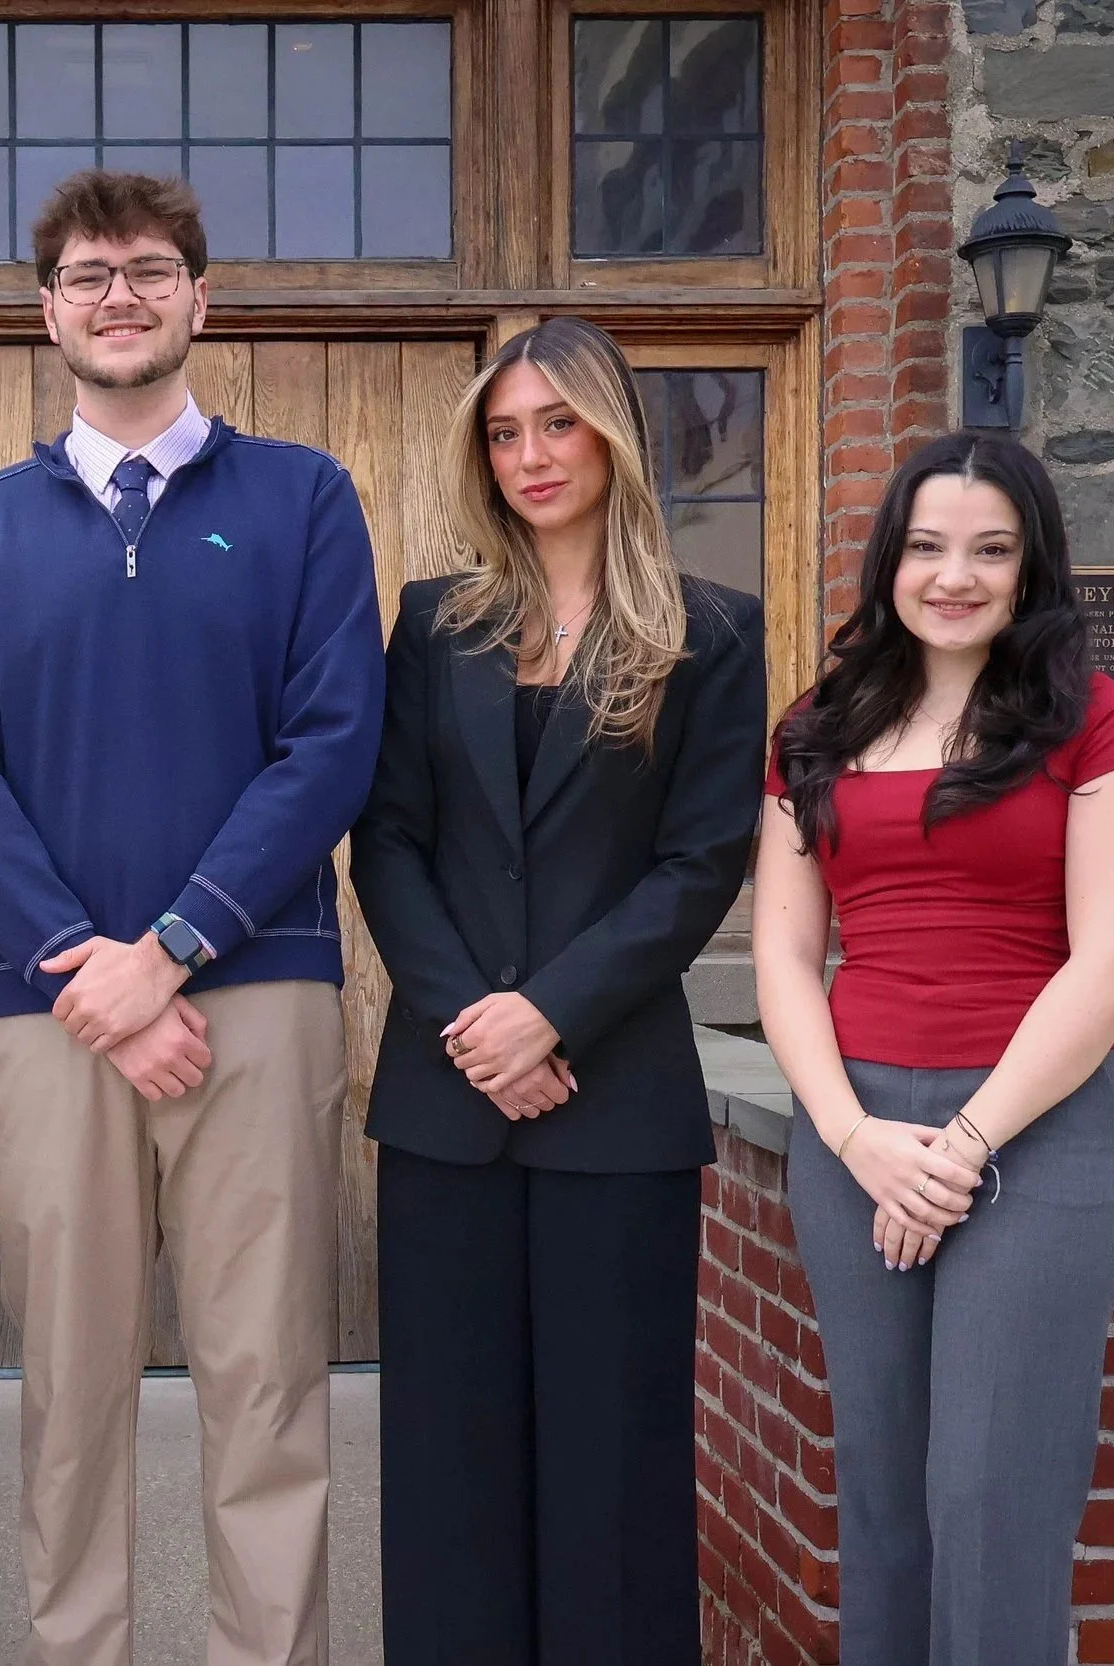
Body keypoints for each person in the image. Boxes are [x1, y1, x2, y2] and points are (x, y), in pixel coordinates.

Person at [0, 170, 383, 1666]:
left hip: (258, 995)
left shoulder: (302, 499)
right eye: (88, 274)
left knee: (267, 1382)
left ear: (200, 299)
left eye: (150, 270)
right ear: (46, 313)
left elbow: (332, 746)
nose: (120, 295)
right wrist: (86, 972)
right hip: (49, 1015)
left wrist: (173, 947)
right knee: (69, 1390)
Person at [350, 315, 766, 1665]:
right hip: (446, 1104)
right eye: (504, 432)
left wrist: (553, 1013)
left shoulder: (711, 631)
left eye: (557, 423)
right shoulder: (434, 624)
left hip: (615, 1103)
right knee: (448, 1462)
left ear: (614, 436)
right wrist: (476, 1024)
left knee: (613, 1468)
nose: (530, 454)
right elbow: (388, 840)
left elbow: (701, 860)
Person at [755, 431, 1114, 1665]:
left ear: (1031, 566)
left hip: (1035, 1135)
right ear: (889, 559)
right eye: (928, 546)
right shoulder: (816, 724)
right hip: (858, 1136)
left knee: (992, 1497)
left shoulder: (1096, 719)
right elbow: (784, 958)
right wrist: (855, 1139)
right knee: (883, 1497)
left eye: (990, 549)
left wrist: (966, 1142)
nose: (954, 575)